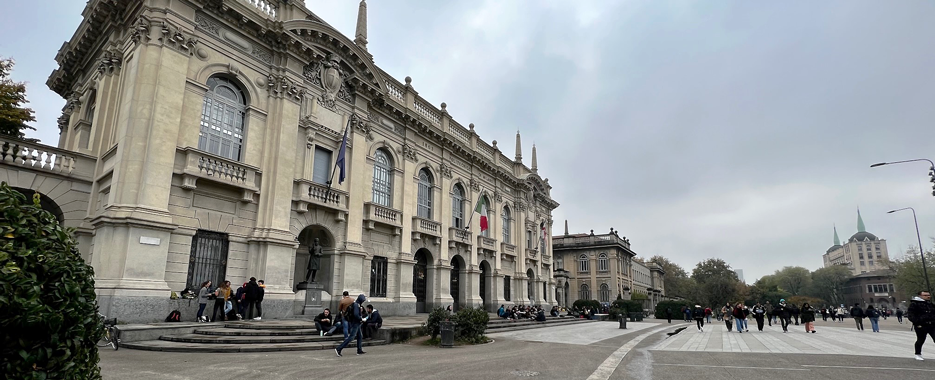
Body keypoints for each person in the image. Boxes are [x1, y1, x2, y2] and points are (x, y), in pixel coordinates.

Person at [907, 291, 935, 361]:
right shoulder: (914, 304)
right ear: (920, 296)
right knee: (921, 339)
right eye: (925, 295)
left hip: (932, 324)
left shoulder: (929, 304)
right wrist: (917, 321)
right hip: (921, 325)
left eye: (928, 295)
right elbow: (911, 315)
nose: (928, 296)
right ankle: (918, 354)